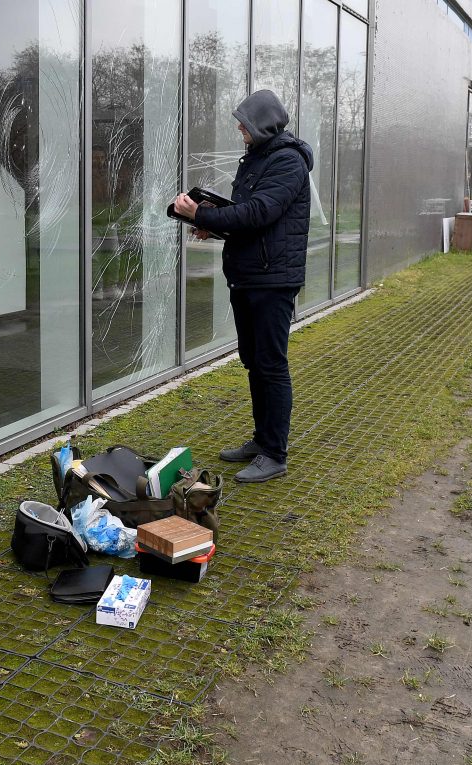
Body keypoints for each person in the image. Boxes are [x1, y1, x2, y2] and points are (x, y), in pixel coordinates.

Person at [174, 89, 313, 484]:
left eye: (244, 120)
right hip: (248, 275)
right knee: (253, 361)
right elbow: (248, 219)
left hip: (273, 280)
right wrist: (212, 222)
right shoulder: (256, 159)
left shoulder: (288, 162)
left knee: (270, 364)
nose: (239, 126)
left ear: (263, 122)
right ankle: (261, 439)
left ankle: (275, 452)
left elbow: (259, 213)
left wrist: (198, 210)